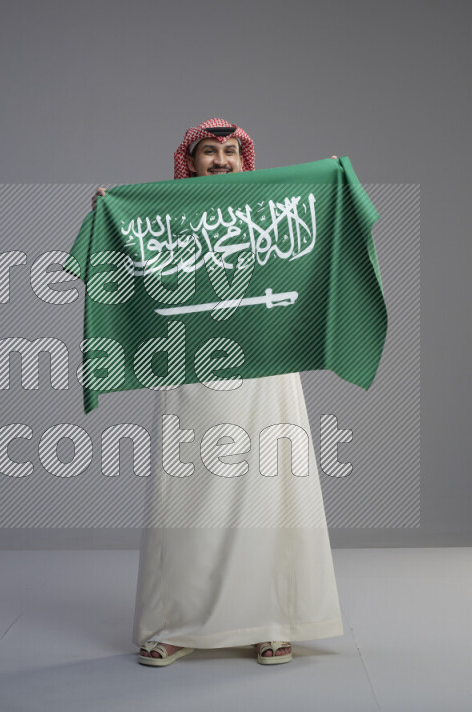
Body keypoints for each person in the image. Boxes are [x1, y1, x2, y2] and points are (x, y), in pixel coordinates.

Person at [91, 118, 343, 666]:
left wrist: (328, 184)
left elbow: (315, 237)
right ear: (192, 160)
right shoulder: (167, 221)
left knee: (271, 493)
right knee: (187, 499)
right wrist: (110, 212)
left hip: (267, 368)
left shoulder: (268, 213)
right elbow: (129, 273)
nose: (222, 161)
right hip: (191, 367)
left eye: (230, 151)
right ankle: (176, 624)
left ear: (243, 158)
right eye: (210, 152)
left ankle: (272, 621)